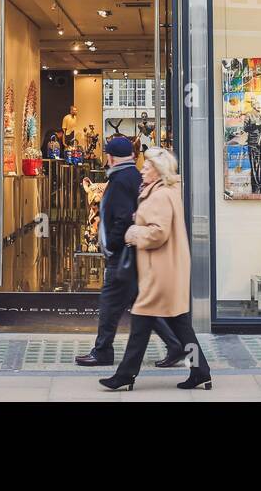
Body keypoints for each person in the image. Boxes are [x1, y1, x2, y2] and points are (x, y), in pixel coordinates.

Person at [100, 146, 212, 391]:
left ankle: (125, 375)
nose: (143, 170)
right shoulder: (165, 191)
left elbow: (158, 233)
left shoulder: (160, 196)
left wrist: (132, 233)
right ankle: (200, 370)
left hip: (159, 271)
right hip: (167, 270)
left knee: (140, 325)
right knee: (181, 327)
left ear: (158, 171)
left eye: (148, 167)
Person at [74, 136, 183, 368]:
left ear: (110, 157)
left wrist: (112, 245)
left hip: (122, 254)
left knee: (110, 302)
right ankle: (175, 345)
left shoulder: (121, 180)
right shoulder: (131, 176)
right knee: (140, 302)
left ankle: (103, 351)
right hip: (131, 252)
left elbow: (123, 218)